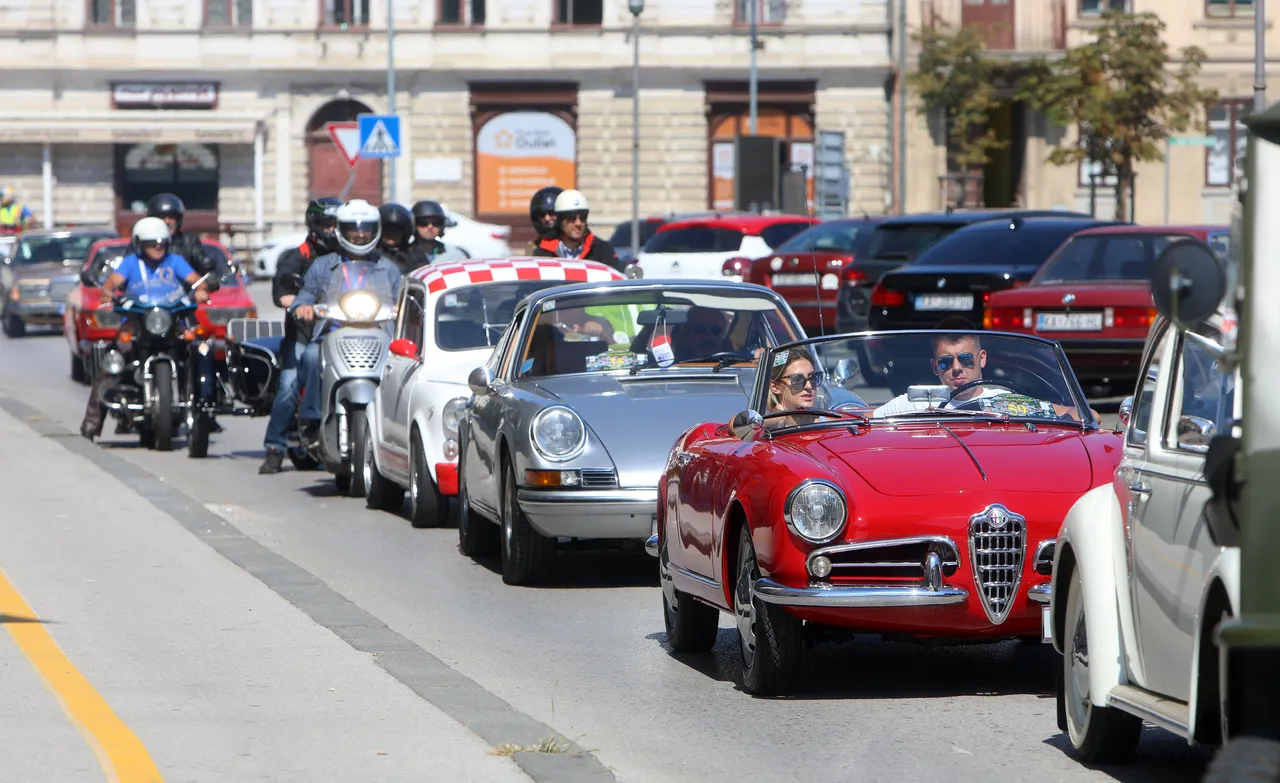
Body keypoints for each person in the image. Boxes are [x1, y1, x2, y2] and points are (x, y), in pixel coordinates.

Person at [80, 217, 210, 440]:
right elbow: (112, 282)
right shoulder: (131, 263)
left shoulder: (175, 261)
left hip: (170, 320)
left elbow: (196, 281)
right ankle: (92, 424)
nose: (157, 247)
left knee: (198, 351)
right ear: (140, 243)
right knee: (113, 361)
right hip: (138, 320)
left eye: (161, 242)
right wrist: (107, 291)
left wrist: (200, 289)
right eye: (151, 243)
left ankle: (204, 406)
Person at [291, 199, 403, 446]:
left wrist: (401, 309)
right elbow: (304, 296)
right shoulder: (323, 265)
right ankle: (311, 417)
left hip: (379, 334)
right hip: (333, 334)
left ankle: (395, 424)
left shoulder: (388, 268)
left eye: (366, 228)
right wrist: (304, 307)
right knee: (311, 356)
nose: (360, 234)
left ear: (376, 231)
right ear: (341, 229)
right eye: (354, 228)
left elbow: (402, 299)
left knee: (400, 367)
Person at [258, 197, 340, 474]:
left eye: (336, 224)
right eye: (328, 224)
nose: (332, 230)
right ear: (315, 226)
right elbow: (281, 292)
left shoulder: (347, 256)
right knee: (288, 386)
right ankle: (274, 448)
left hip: (340, 332)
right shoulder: (298, 255)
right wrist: (298, 304)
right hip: (304, 334)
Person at [530, 190, 623, 271]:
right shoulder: (543, 253)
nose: (578, 223)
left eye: (582, 217)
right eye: (571, 217)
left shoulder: (601, 249)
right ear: (560, 220)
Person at [145, 193, 219, 288]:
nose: (167, 221)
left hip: (182, 299)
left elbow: (206, 269)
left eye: (171, 217)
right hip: (146, 298)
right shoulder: (141, 242)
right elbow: (126, 271)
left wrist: (209, 281)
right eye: (162, 217)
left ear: (178, 220)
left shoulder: (188, 241)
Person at [766, 347, 825, 428]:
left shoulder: (833, 424)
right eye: (797, 379)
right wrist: (777, 419)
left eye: (813, 377)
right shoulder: (761, 429)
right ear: (775, 387)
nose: (809, 386)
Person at [407, 200, 469, 268]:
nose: (430, 227)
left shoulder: (454, 256)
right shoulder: (403, 256)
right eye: (423, 222)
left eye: (435, 222)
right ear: (414, 224)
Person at [377, 202, 416, 274]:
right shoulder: (371, 255)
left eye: (397, 229)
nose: (392, 233)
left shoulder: (414, 253)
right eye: (387, 229)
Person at [524, 186, 563, 255]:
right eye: (541, 215)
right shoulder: (534, 248)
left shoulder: (580, 245)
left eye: (552, 213)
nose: (547, 218)